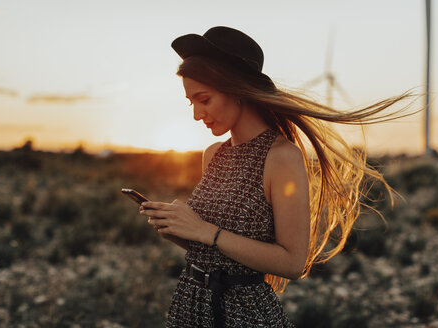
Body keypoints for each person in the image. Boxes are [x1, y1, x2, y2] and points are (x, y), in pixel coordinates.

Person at [138, 26, 417, 327]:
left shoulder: (281, 157)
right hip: (189, 306)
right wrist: (182, 232)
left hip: (242, 314)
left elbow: (293, 262)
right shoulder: (213, 154)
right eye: (190, 102)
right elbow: (221, 250)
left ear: (237, 90)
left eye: (203, 99)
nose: (195, 114)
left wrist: (204, 231)